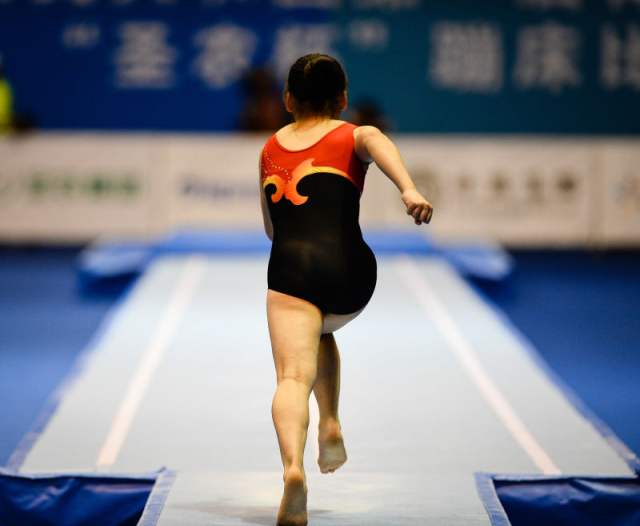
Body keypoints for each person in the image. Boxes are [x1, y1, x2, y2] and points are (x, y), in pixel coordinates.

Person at [258, 53, 433, 526]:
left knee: (293, 377)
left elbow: (272, 229)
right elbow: (378, 142)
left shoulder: (270, 148)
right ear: (343, 99)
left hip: (291, 269)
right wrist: (408, 189)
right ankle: (330, 423)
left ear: (287, 99)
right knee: (322, 327)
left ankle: (293, 470)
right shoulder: (355, 134)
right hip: (351, 273)